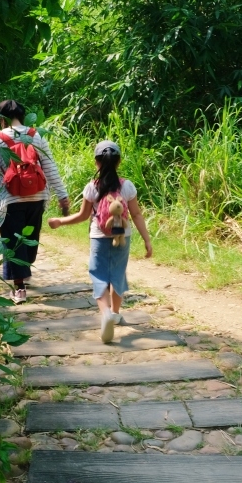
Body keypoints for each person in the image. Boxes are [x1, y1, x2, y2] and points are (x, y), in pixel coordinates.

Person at [48, 140, 153, 343]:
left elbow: (82, 216)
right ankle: (114, 313)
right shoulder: (127, 186)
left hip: (98, 236)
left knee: (99, 275)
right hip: (123, 236)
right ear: (119, 162)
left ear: (97, 163)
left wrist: (59, 221)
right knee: (118, 274)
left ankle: (105, 313)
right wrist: (147, 240)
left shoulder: (92, 187)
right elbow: (137, 214)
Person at [0, 100, 70, 303]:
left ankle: (19, 288)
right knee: (30, 237)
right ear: (22, 114)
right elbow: (50, 167)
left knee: (13, 240)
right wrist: (63, 195)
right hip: (37, 196)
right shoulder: (35, 135)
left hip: (9, 199)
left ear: (1, 119)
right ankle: (23, 271)